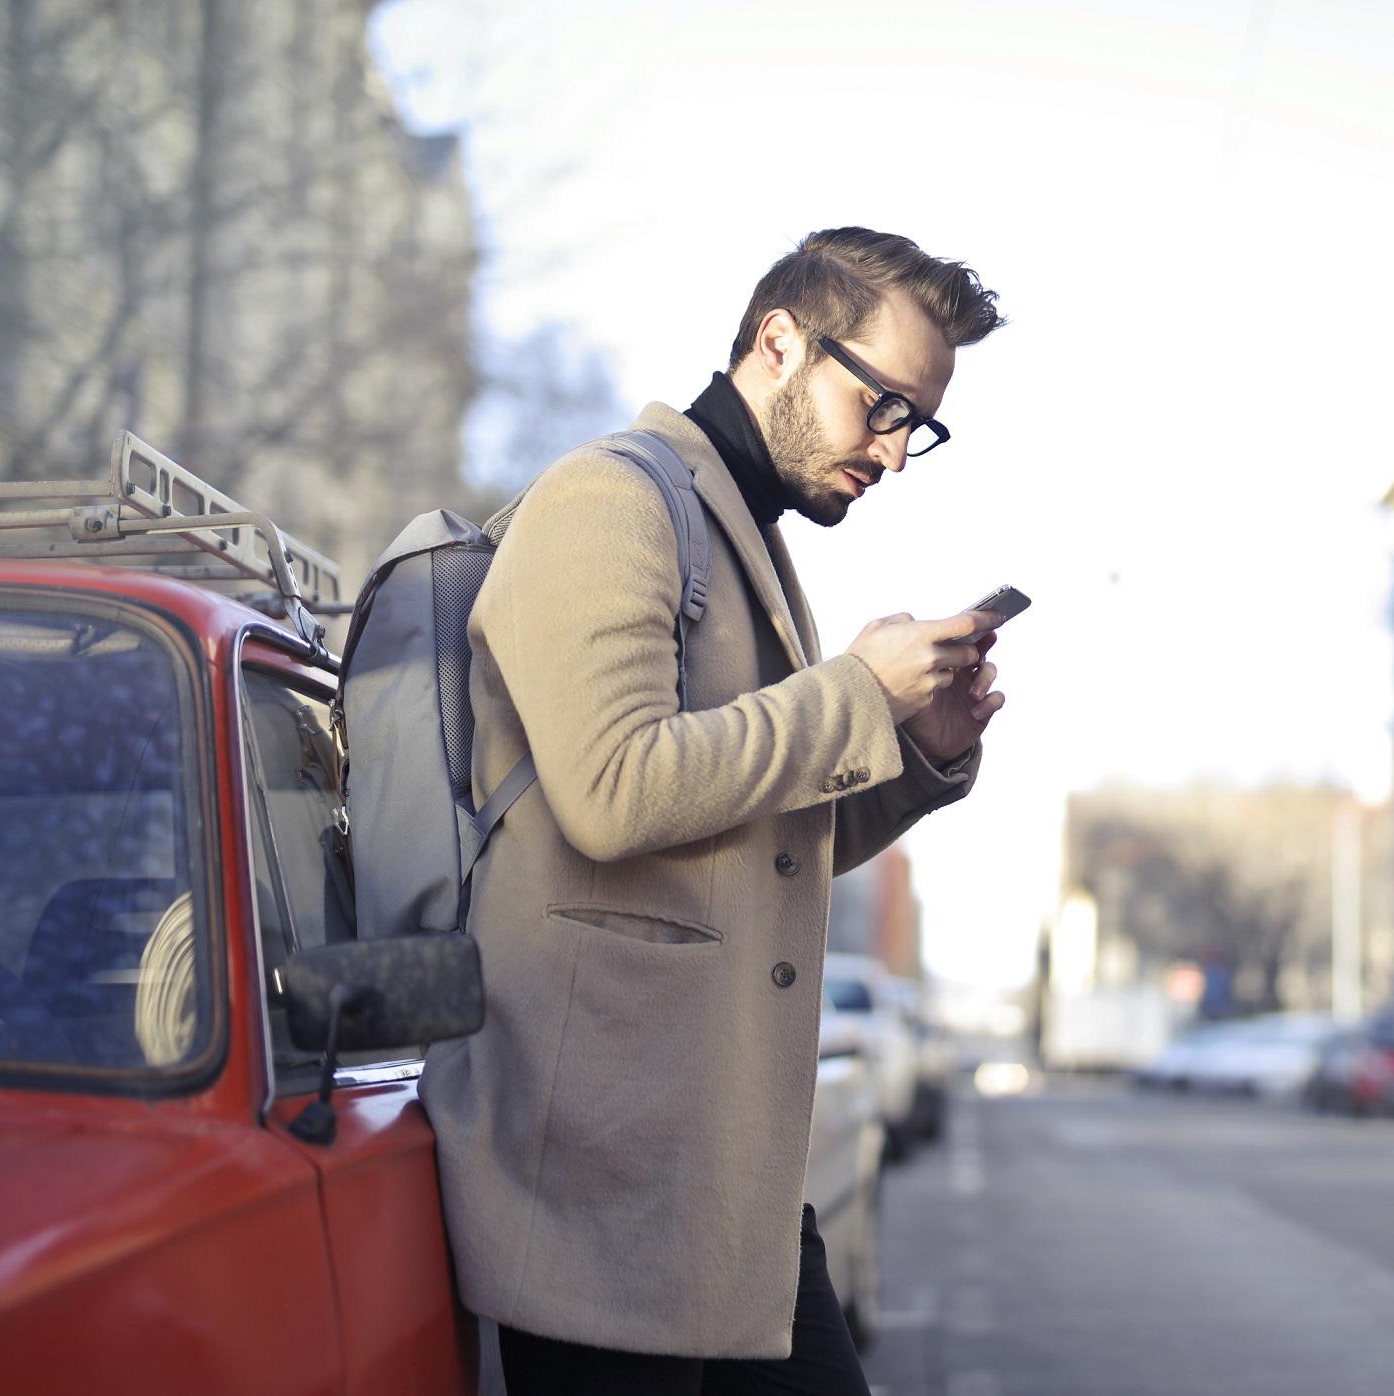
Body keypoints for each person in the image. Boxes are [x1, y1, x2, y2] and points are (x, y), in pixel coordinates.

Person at [420, 227, 1008, 1395]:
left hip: (715, 1181)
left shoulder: (743, 544)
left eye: (917, 426)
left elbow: (755, 842)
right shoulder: (610, 498)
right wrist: (851, 694)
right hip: (600, 1189)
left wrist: (913, 757)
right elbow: (614, 788)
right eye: (880, 405)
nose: (893, 454)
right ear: (778, 342)